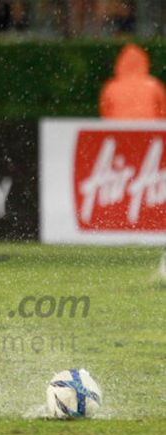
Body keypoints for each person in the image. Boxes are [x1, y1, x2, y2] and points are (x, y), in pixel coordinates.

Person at [98, 43, 166, 279]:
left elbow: (105, 117)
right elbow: (162, 116)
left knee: (125, 187)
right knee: (148, 187)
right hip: (150, 143)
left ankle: (123, 223)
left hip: (121, 145)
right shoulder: (153, 85)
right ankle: (149, 223)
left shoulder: (111, 87)